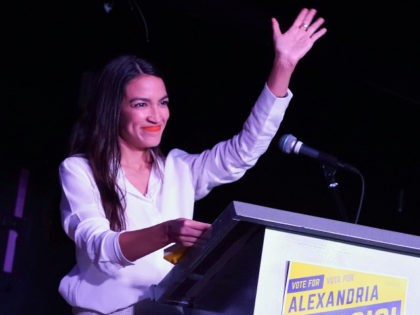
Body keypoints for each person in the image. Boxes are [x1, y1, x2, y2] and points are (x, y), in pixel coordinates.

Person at [58, 7, 327, 315]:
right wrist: (166, 233)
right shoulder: (80, 171)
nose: (156, 116)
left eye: (163, 103)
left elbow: (243, 152)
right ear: (113, 110)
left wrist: (283, 65)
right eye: (140, 104)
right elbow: (100, 248)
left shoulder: (178, 169)